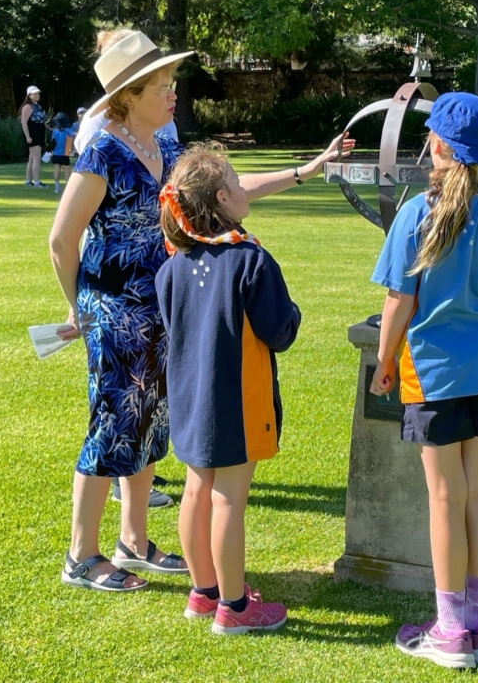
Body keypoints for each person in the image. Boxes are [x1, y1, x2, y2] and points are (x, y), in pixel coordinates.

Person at [49, 28, 353, 593]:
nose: (172, 93)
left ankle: (133, 541)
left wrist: (305, 171)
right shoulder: (102, 152)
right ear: (128, 95)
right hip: (114, 311)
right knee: (113, 424)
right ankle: (80, 556)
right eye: (161, 85)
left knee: (154, 421)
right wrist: (80, 310)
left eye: (170, 82)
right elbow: (62, 240)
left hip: (166, 302)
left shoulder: (163, 142)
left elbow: (222, 193)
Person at [369, 92, 478, 669]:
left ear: (436, 145)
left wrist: (384, 361)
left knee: (445, 498)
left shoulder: (417, 213)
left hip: (432, 379)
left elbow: (397, 302)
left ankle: (449, 630)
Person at [156, 147, 301, 635]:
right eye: (238, 184)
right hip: (238, 402)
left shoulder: (173, 264)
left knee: (196, 492)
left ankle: (205, 593)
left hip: (190, 398)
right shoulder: (250, 260)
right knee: (228, 501)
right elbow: (280, 331)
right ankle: (235, 608)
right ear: (221, 197)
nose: (244, 190)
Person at [19, 85, 48, 188]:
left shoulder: (38, 106)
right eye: (34, 94)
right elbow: (24, 122)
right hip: (33, 134)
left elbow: (41, 121)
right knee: (37, 158)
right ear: (29, 95)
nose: (37, 95)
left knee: (32, 159)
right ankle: (37, 182)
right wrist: (28, 136)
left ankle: (28, 181)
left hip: (39, 132)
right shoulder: (28, 106)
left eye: (38, 93)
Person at [50, 112, 75, 194]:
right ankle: (68, 189)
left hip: (56, 154)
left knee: (56, 171)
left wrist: (51, 151)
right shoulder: (67, 130)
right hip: (65, 154)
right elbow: (73, 135)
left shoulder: (54, 132)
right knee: (66, 171)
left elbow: (53, 143)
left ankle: (57, 188)